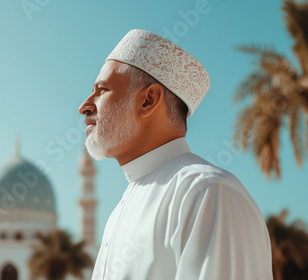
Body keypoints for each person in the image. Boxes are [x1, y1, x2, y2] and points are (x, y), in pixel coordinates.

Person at [78, 29, 273, 280]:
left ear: (148, 101)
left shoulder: (206, 193)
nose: (85, 106)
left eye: (102, 90)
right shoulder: (124, 207)